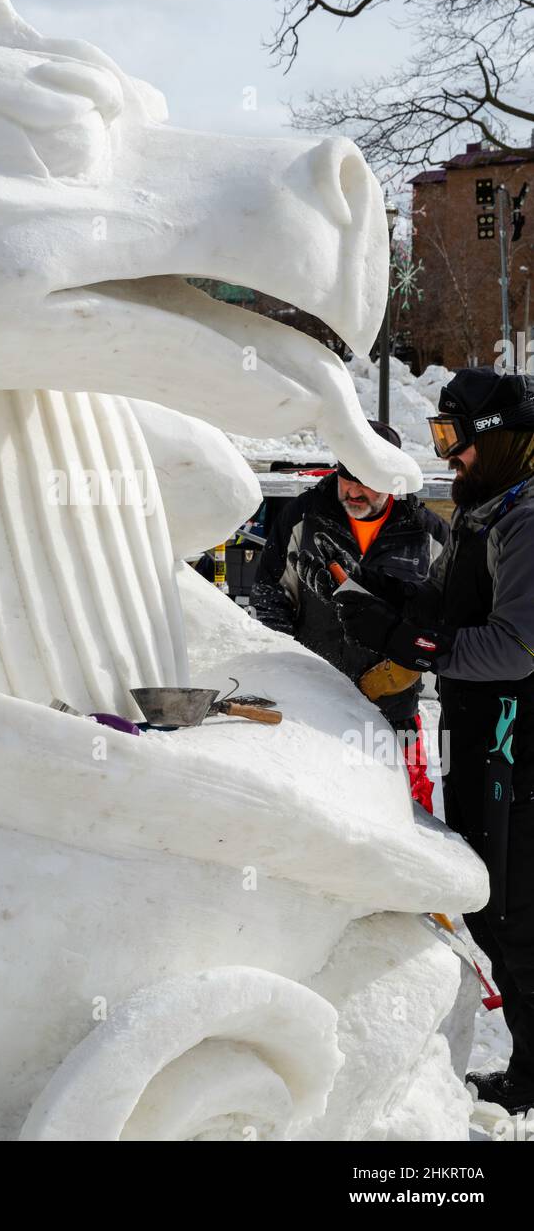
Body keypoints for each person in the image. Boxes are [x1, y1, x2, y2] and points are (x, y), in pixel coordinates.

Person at [300, 368, 534, 1115]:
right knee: (487, 899)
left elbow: (515, 648)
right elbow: (444, 603)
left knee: (513, 906)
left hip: (514, 736)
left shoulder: (525, 519)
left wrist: (417, 644)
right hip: (475, 730)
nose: (448, 455)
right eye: (438, 437)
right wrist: (386, 604)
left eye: (452, 438)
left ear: (494, 441)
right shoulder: (481, 512)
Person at [250, 420, 447, 811]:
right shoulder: (304, 517)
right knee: (314, 806)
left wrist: (410, 661)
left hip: (394, 706)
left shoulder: (429, 534)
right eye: (346, 476)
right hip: (314, 704)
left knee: (407, 811)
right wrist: (296, 673)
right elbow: (269, 597)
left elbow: (447, 616)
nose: (353, 490)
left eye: (366, 481)